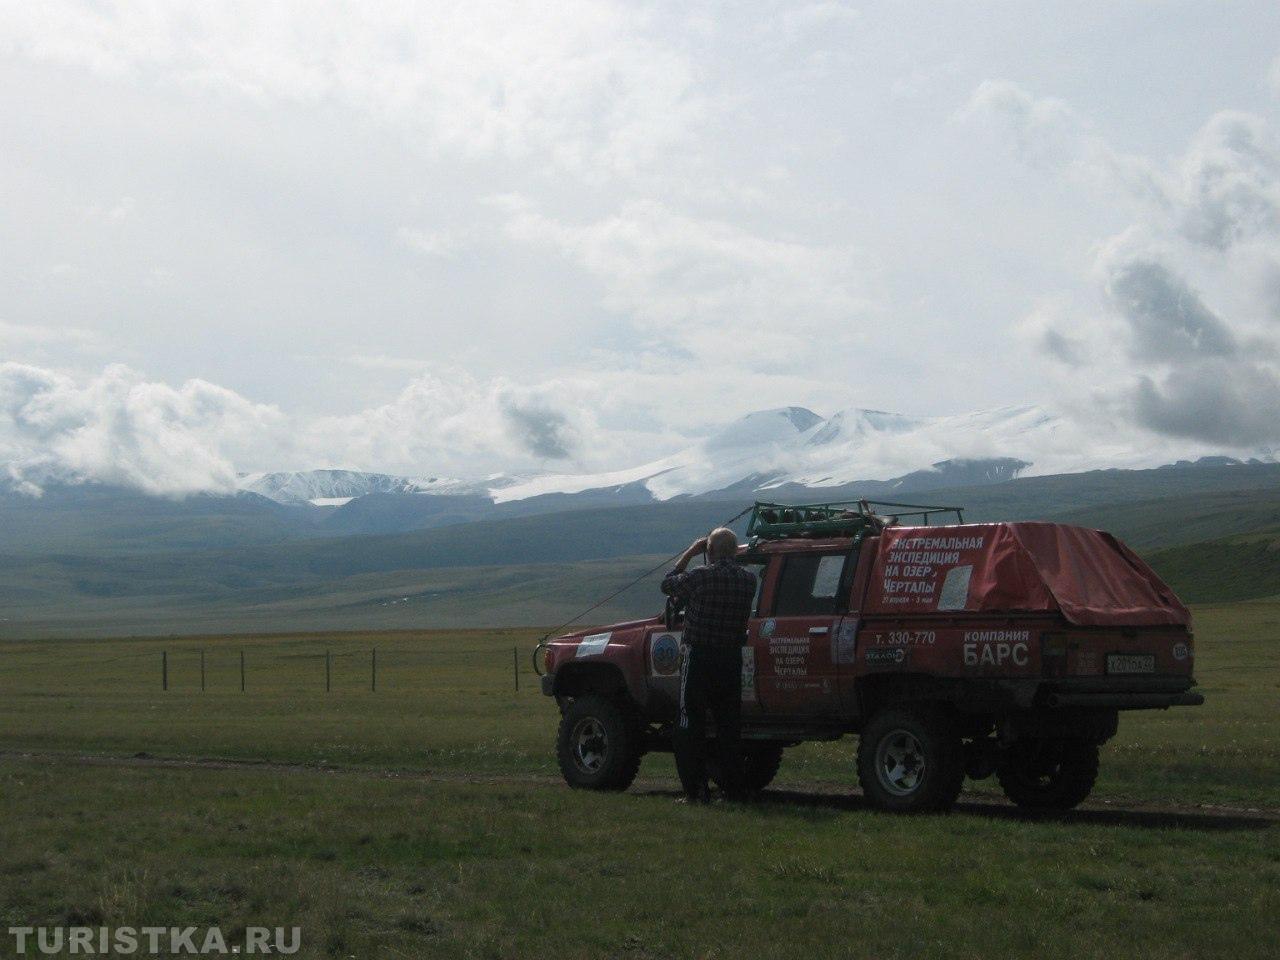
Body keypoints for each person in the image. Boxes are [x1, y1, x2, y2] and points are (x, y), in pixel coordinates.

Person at [661, 526, 757, 803]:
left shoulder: (701, 577)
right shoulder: (748, 580)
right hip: (730, 658)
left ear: (710, 552)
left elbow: (668, 584)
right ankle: (733, 790)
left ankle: (696, 791)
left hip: (699, 657)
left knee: (690, 724)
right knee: (729, 726)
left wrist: (690, 552)